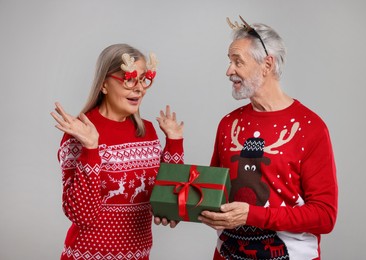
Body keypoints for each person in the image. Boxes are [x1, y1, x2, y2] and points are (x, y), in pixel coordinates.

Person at [198, 16, 338, 260]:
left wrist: (252, 215)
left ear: (267, 64)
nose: (229, 71)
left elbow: (325, 216)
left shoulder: (311, 128)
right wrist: (175, 208)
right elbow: (213, 195)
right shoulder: (228, 124)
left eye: (237, 61)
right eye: (229, 61)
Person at [50, 43, 184, 260]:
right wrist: (91, 149)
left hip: (138, 254)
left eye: (143, 79)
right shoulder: (81, 132)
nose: (139, 88)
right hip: (88, 255)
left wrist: (175, 142)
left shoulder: (147, 131)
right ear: (104, 85)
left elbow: (166, 193)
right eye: (129, 79)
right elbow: (82, 215)